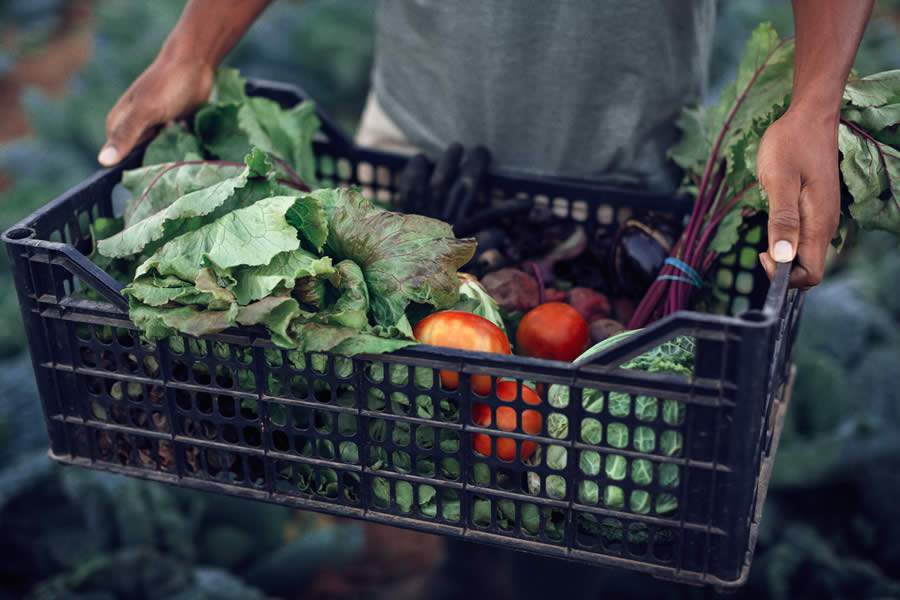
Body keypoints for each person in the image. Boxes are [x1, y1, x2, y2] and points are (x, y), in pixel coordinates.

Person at [97, 2, 873, 597]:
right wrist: (191, 47)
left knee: (569, 504)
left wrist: (815, 106)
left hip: (622, 159)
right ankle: (469, 569)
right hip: (413, 137)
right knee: (446, 446)